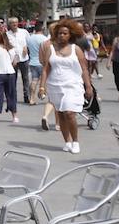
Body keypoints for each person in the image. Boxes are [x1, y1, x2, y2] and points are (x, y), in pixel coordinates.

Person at [39, 19, 93, 154]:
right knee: (61, 114)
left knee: (69, 113)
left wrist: (88, 86)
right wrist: (42, 87)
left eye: (64, 33)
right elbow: (45, 69)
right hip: (55, 86)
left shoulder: (77, 49)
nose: (61, 36)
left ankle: (75, 141)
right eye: (59, 33)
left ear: (70, 35)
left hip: (73, 86)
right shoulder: (50, 49)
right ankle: (67, 141)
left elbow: (84, 69)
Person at [7, 18, 31, 104]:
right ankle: (13, 96)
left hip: (24, 58)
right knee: (13, 78)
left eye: (16, 22)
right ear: (9, 24)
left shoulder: (24, 32)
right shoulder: (7, 34)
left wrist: (26, 47)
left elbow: (29, 42)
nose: (15, 24)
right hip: (13, 59)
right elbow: (6, 46)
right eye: (12, 23)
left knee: (26, 78)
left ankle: (26, 96)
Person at [27, 23, 47, 105]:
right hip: (42, 62)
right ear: (42, 29)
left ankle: (32, 98)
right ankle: (42, 94)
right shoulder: (44, 39)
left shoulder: (30, 38)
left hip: (32, 61)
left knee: (34, 80)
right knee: (44, 80)